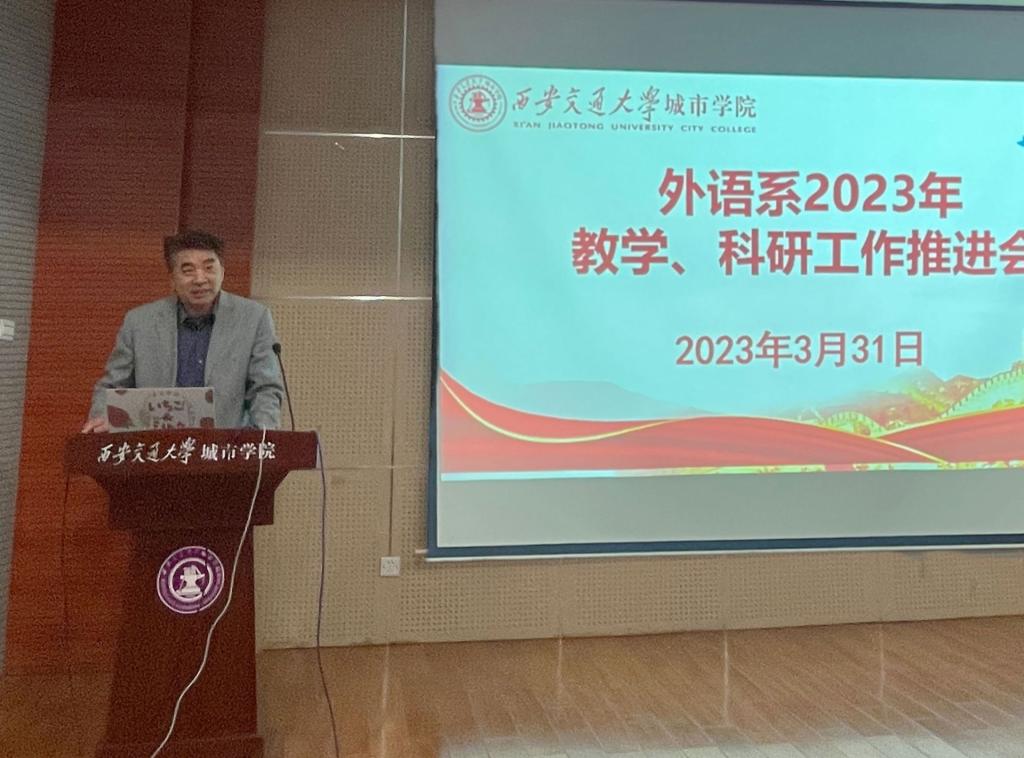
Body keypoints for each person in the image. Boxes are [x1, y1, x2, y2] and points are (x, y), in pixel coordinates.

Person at [82, 230, 283, 432]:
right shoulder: (139, 322)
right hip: (157, 444)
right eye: (188, 270)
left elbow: (265, 388)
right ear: (172, 278)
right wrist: (101, 418)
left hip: (225, 445)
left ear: (222, 272)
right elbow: (113, 385)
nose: (200, 279)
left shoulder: (254, 318)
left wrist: (263, 436)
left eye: (209, 268)